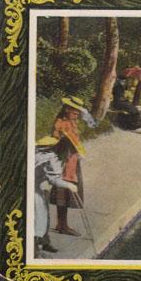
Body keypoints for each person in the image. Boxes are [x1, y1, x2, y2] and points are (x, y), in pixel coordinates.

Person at [50, 96, 88, 236]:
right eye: (74, 111)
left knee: (67, 193)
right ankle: (62, 225)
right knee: (63, 192)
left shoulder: (72, 122)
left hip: (72, 161)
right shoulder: (60, 123)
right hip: (64, 161)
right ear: (66, 109)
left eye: (78, 111)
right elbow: (54, 142)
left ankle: (63, 224)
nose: (77, 113)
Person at [35, 136, 79, 254]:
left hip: (39, 185)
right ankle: (35, 246)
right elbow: (53, 179)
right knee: (40, 215)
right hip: (34, 187)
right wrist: (69, 185)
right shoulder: (52, 158)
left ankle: (43, 242)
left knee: (44, 215)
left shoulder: (48, 154)